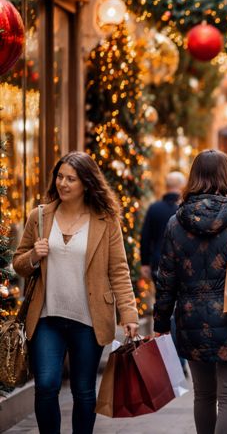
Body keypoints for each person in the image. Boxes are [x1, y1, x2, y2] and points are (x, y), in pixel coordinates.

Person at [12, 151, 139, 434]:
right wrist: (33, 254)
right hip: (46, 318)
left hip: (89, 320)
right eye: (60, 177)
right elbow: (19, 264)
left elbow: (118, 270)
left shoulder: (105, 221)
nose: (63, 183)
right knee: (46, 385)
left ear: (86, 183)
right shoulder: (40, 216)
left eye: (71, 179)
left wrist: (128, 313)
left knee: (83, 390)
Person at [154, 150, 227, 434]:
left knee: (204, 395)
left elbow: (166, 277)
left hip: (191, 319)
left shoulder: (176, 222)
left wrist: (160, 322)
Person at [140, 171, 186, 281]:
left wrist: (145, 263)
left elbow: (145, 237)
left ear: (166, 186)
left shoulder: (154, 208)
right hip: (182, 264)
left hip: (158, 262)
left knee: (161, 297)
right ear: (182, 186)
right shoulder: (185, 209)